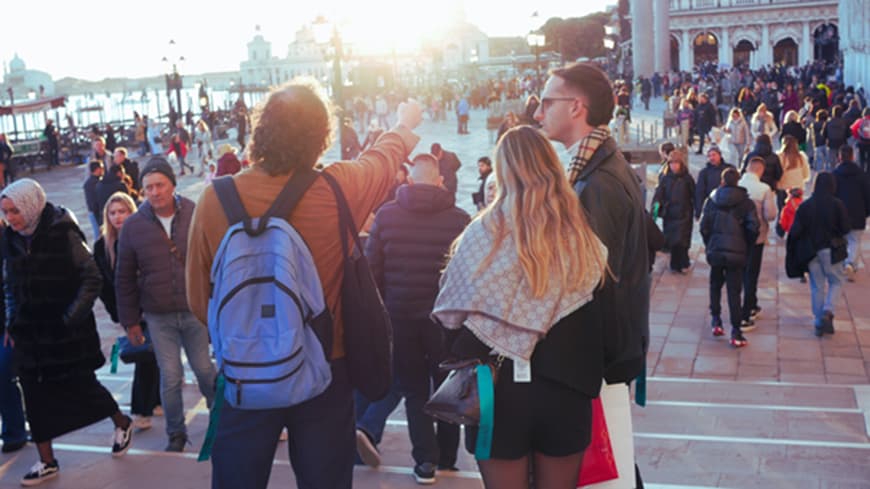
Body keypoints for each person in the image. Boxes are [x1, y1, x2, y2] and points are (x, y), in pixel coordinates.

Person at [185, 79, 423, 489]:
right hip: (325, 367)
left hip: (245, 372)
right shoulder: (339, 187)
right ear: (320, 136)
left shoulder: (214, 199)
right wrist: (403, 124)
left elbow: (196, 299)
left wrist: (252, 335)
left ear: (261, 131)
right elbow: (384, 159)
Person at [431, 125, 607, 489]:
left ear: (503, 170)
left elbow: (451, 317)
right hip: (566, 388)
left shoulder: (480, 235)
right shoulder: (582, 238)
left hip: (497, 391)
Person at [533, 63, 649, 488]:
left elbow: (587, 284)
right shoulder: (598, 170)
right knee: (612, 462)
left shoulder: (596, 184)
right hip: (608, 349)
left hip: (597, 357)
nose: (538, 111)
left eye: (547, 101)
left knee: (606, 464)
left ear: (576, 107)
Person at [1, 179, 133, 486]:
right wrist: (11, 320)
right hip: (30, 334)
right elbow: (9, 285)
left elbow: (92, 277)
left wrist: (69, 318)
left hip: (65, 333)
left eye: (15, 211)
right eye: (6, 211)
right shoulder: (10, 239)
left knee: (82, 387)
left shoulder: (63, 231)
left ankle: (121, 421)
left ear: (31, 206)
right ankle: (47, 461)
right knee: (34, 397)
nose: (10, 218)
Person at [359, 153, 470, 482]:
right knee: (447, 388)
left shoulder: (387, 216)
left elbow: (371, 271)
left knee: (414, 390)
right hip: (443, 321)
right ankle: (448, 456)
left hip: (400, 316)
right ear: (439, 181)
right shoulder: (459, 219)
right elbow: (466, 275)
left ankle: (425, 462)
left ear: (408, 180)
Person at [115, 157, 217, 452]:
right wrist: (130, 321)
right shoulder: (134, 226)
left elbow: (209, 260)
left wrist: (214, 304)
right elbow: (124, 278)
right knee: (170, 377)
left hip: (194, 308)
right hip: (158, 315)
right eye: (148, 188)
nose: (155, 192)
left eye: (160, 185)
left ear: (173, 184)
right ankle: (176, 433)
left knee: (204, 370)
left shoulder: (194, 212)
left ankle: (221, 419)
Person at [93, 192, 161, 431]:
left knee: (153, 354)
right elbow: (103, 285)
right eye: (112, 213)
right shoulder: (102, 246)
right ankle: (144, 406)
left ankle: (150, 403)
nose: (117, 217)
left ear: (131, 211)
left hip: (154, 305)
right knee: (146, 355)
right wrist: (118, 313)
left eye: (122, 211)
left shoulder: (143, 235)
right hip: (129, 309)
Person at [699, 168, 760, 347]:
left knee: (715, 284)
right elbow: (753, 227)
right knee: (734, 291)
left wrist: (710, 243)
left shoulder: (712, 200)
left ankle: (716, 320)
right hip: (737, 252)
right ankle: (735, 330)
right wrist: (746, 246)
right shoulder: (746, 203)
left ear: (722, 181)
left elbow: (704, 226)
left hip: (716, 249)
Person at [787, 173, 851, 336]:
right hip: (831, 250)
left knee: (817, 285)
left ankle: (818, 321)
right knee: (836, 281)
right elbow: (845, 228)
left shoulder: (807, 205)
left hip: (811, 251)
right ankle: (828, 311)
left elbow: (796, 231)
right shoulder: (837, 204)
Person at [737, 158, 777, 330]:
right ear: (760, 171)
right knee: (751, 273)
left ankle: (746, 305)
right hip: (757, 237)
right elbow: (771, 215)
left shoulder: (736, 185)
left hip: (737, 237)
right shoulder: (764, 189)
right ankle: (748, 308)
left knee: (739, 272)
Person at [0, 219, 27, 455]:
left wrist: (13, 322)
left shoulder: (9, 239)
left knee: (4, 373)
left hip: (9, 322)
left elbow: (15, 285)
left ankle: (15, 431)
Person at [653, 148, 695, 273]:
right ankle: (675, 264)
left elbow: (693, 194)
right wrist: (656, 208)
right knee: (672, 240)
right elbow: (659, 194)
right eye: (671, 163)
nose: (673, 166)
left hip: (684, 213)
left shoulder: (687, 179)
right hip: (670, 214)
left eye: (676, 163)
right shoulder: (665, 179)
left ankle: (683, 263)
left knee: (682, 240)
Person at [831, 145, 870, 281]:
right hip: (858, 213)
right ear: (853, 157)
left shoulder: (834, 175)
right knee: (855, 241)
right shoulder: (862, 175)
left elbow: (832, 195)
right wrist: (867, 212)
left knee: (842, 240)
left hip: (840, 214)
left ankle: (843, 264)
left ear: (840, 157)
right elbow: (867, 195)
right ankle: (851, 264)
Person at [775, 135, 811, 219]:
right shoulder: (801, 157)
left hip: (783, 188)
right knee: (797, 212)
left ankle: (781, 227)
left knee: (782, 211)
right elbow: (806, 175)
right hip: (797, 188)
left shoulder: (779, 157)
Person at [695, 146, 735, 219]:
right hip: (711, 207)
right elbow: (700, 192)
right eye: (709, 156)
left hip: (728, 207)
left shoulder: (729, 169)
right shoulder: (704, 173)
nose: (711, 158)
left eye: (714, 155)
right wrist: (699, 211)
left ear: (719, 155)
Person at [83, 160, 104, 237]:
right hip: (95, 212)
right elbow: (93, 202)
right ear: (97, 169)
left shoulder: (92, 182)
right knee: (98, 234)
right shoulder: (94, 183)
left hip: (94, 211)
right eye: (101, 168)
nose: (103, 170)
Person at [851, 107, 870, 173]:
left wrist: (857, 137)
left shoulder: (860, 121)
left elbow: (853, 130)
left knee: (861, 158)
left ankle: (862, 171)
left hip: (862, 142)